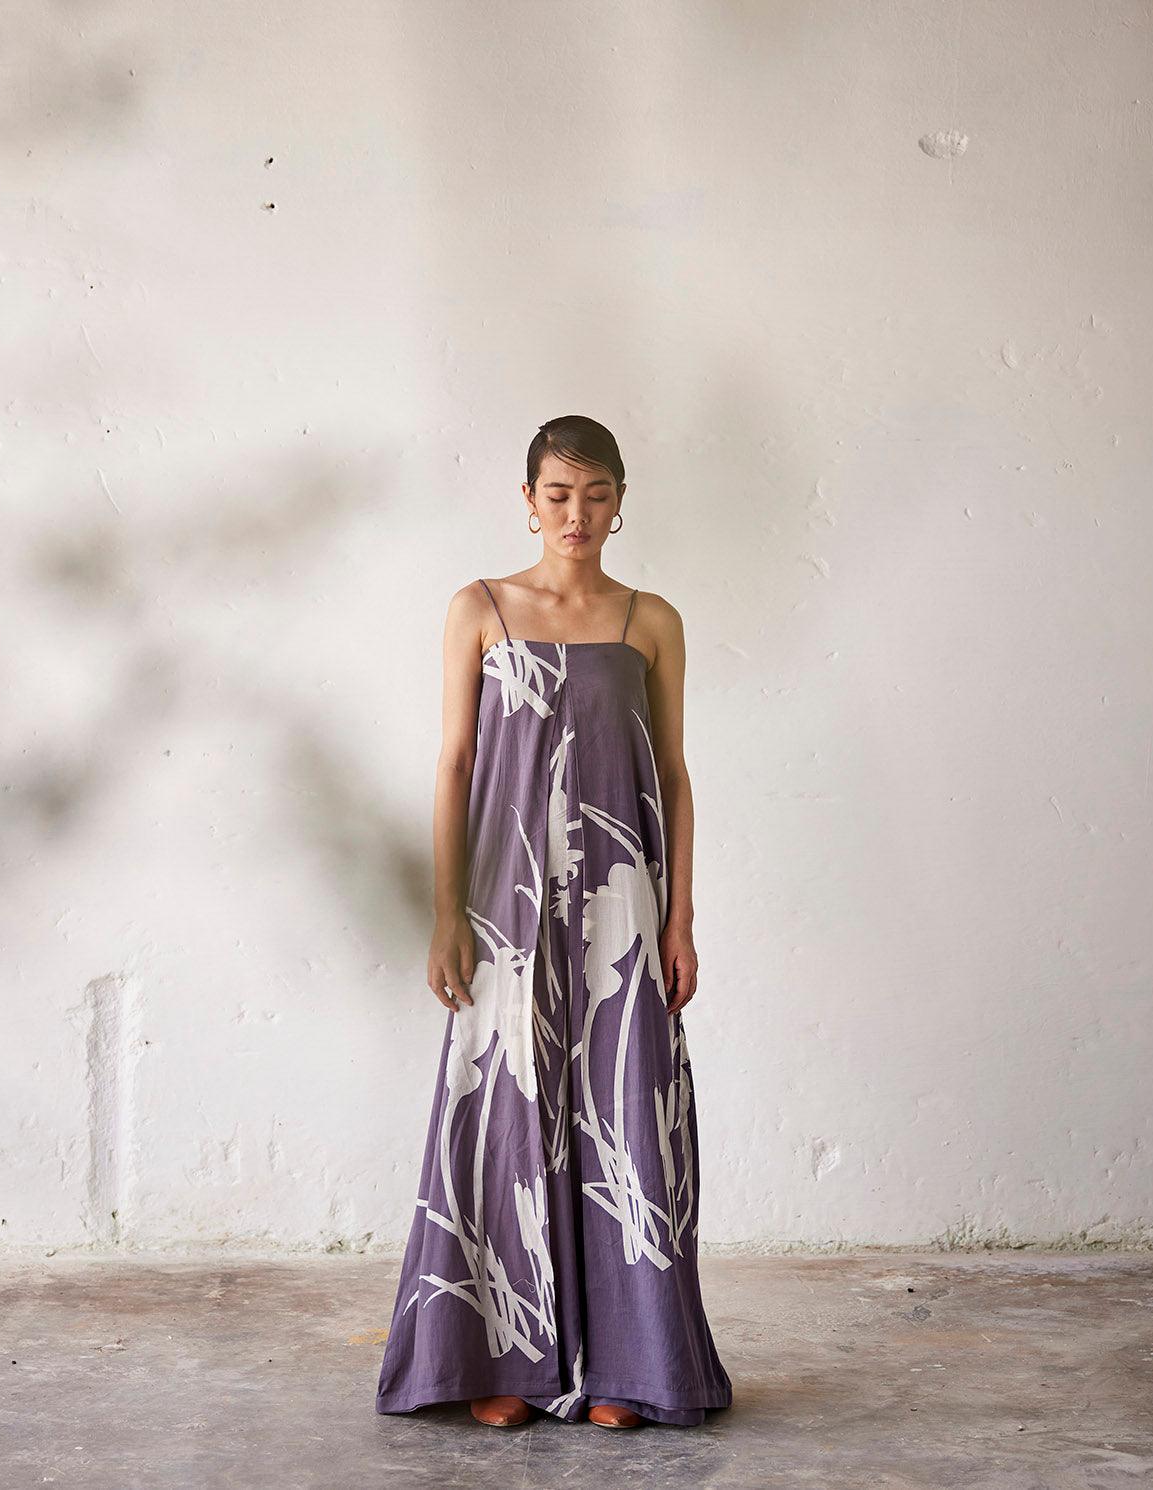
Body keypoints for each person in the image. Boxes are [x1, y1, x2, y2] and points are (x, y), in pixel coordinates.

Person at [375, 415, 732, 1430]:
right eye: (559, 493)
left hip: (621, 908)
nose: (578, 513)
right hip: (505, 908)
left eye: (597, 493)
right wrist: (447, 913)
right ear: (528, 501)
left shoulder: (649, 620)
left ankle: (630, 1366)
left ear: (620, 502)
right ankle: (507, 1359)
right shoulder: (479, 608)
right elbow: (453, 764)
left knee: (625, 1118)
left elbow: (673, 775)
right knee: (503, 1112)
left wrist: (680, 918)